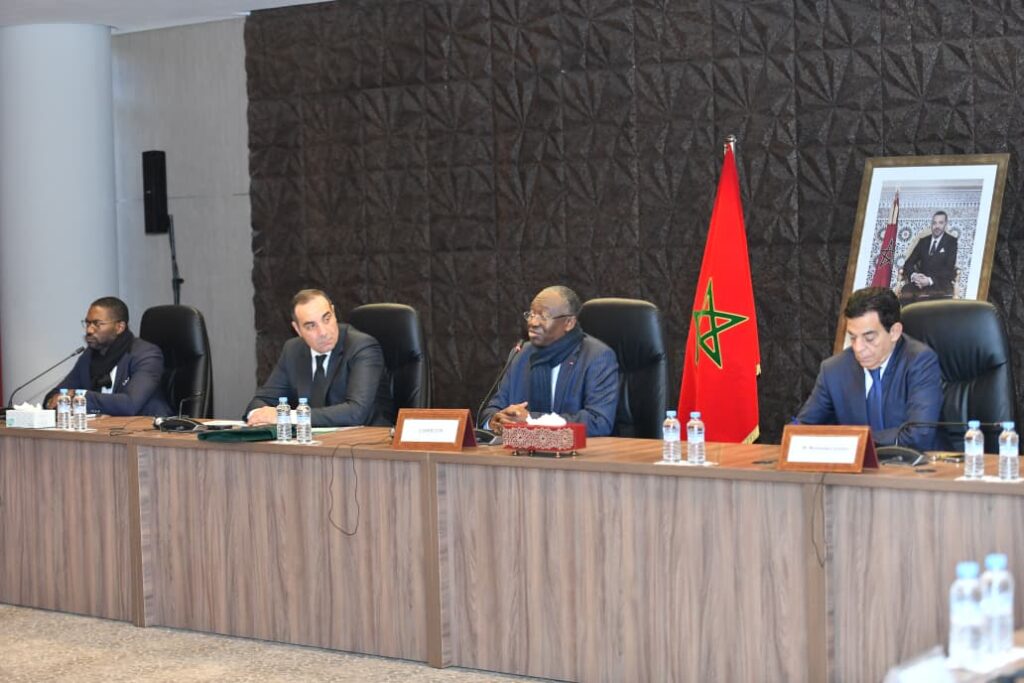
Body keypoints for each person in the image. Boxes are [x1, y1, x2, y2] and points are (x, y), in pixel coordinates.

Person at [796, 287, 942, 450]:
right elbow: (801, 430)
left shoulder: (920, 362)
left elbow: (919, 435)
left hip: (915, 463)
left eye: (869, 338)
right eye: (853, 337)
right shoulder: (834, 370)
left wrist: (853, 440)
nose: (858, 348)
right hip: (857, 465)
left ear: (894, 332)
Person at [480, 286, 619, 437]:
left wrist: (532, 421)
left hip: (578, 450)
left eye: (544, 316)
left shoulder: (597, 357)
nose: (533, 322)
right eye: (531, 314)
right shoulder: (521, 354)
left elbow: (598, 421)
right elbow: (493, 409)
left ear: (569, 323)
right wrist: (495, 420)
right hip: (520, 448)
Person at [246, 289, 391, 427]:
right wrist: (260, 415)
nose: (323, 332)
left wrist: (286, 416)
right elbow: (261, 401)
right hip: (316, 441)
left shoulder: (362, 347)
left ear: (334, 313)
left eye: (326, 319)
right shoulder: (293, 350)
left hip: (367, 440)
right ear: (297, 329)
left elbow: (356, 413)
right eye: (311, 326)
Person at [44, 297, 172, 416]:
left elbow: (130, 404)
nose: (89, 330)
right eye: (87, 323)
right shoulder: (89, 355)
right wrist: (53, 400)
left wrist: (80, 397)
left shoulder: (146, 354)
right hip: (104, 428)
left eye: (97, 324)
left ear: (119, 327)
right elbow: (58, 392)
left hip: (147, 428)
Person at [900, 210, 958, 301]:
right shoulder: (923, 241)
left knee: (930, 296)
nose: (937, 226)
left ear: (945, 224)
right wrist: (914, 276)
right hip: (919, 283)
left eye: (940, 223)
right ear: (931, 224)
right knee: (906, 291)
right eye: (934, 223)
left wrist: (929, 280)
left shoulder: (951, 242)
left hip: (940, 284)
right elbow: (909, 263)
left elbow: (949, 268)